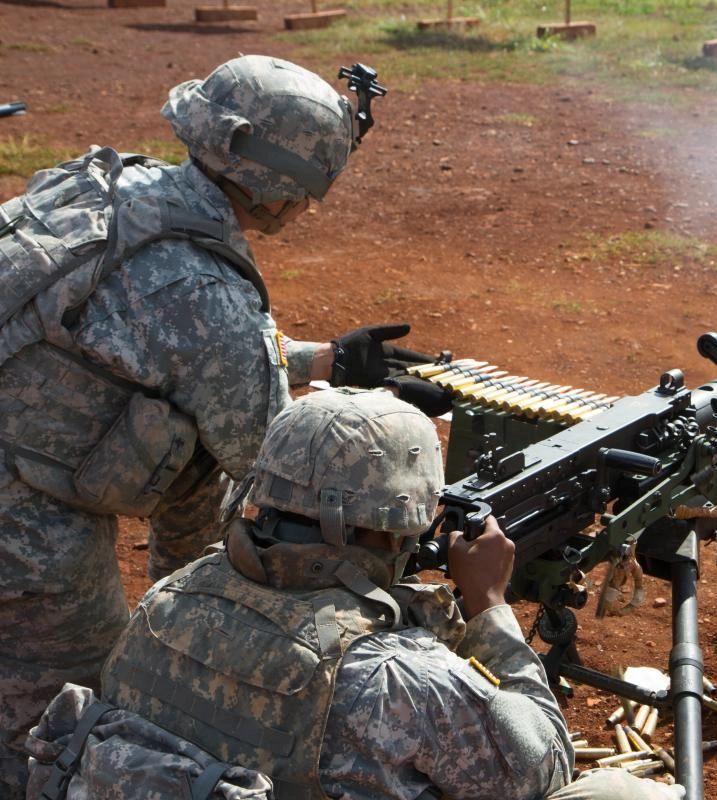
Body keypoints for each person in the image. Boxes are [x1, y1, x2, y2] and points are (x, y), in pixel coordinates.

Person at [0, 55, 446, 796]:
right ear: (280, 186)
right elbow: (274, 464)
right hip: (27, 533)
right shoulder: (209, 295)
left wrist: (321, 360)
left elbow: (125, 340)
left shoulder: (102, 185)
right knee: (62, 720)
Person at [23, 388, 683, 800]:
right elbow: (541, 768)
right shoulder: (395, 680)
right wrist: (489, 606)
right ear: (391, 521)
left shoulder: (167, 601)